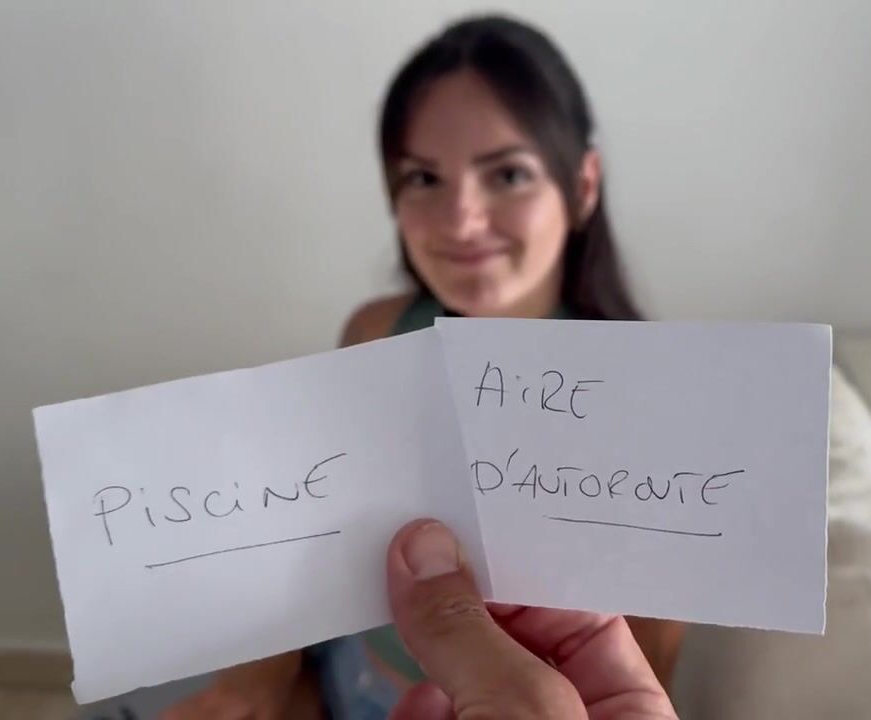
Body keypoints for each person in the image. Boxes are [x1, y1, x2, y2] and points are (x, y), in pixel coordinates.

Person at [164, 13, 682, 718]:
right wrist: (260, 677)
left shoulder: (646, 398)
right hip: (348, 677)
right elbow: (319, 537)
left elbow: (647, 660)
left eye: (508, 174)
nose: (462, 221)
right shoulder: (377, 333)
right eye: (424, 177)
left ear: (582, 184)